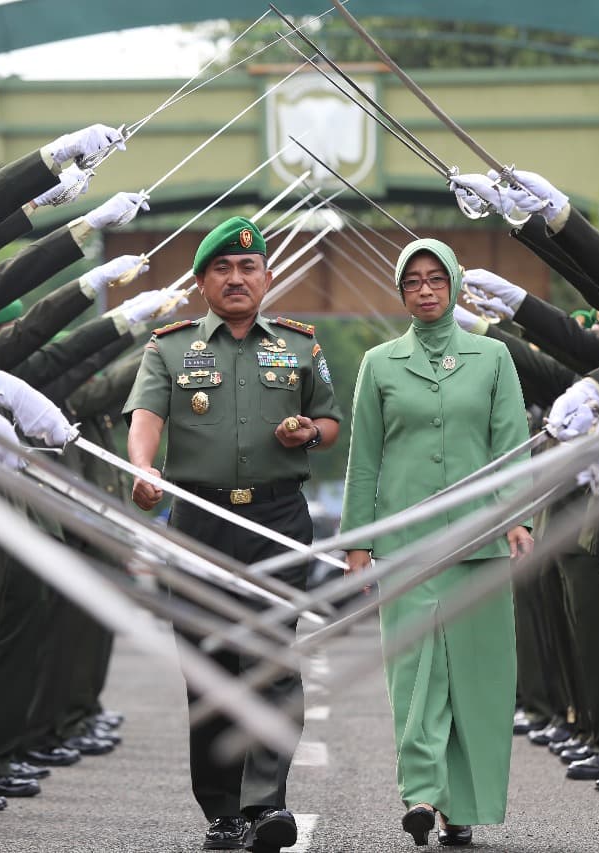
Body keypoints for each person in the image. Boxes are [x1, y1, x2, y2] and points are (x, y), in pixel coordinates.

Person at [124, 215, 341, 853]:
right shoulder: (169, 346)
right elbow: (145, 417)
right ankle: (222, 809)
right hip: (199, 523)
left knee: (272, 660)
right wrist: (142, 470)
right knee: (211, 663)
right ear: (202, 282)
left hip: (277, 518)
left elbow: (328, 423)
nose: (237, 277)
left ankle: (266, 804)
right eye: (223, 268)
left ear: (267, 277)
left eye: (249, 267)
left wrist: (308, 434)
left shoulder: (302, 346)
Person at [340, 237, 533, 847]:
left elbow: (511, 447)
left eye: (435, 279)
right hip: (406, 543)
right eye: (413, 282)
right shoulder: (379, 363)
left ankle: (462, 807)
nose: (425, 290)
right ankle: (423, 794)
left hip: (477, 541)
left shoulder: (493, 357)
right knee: (415, 674)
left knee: (475, 677)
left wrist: (518, 518)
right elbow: (363, 457)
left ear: (453, 285)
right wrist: (358, 542)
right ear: (401, 293)